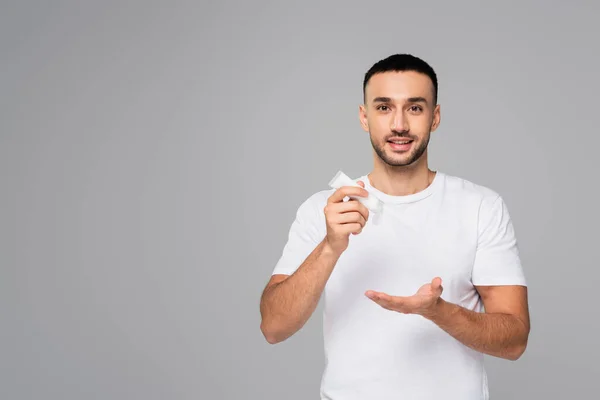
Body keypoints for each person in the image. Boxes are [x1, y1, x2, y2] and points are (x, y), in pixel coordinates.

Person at [259, 53, 530, 399]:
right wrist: (330, 247)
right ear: (364, 117)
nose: (399, 124)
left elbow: (515, 340)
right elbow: (273, 327)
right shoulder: (323, 211)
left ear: (435, 117)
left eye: (415, 108)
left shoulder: (481, 207)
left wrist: (438, 312)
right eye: (384, 107)